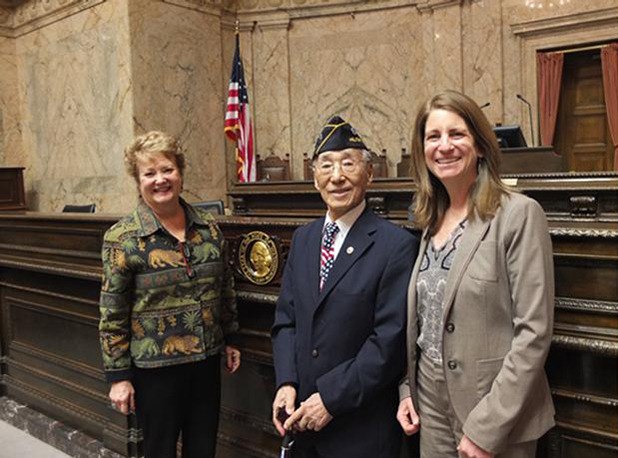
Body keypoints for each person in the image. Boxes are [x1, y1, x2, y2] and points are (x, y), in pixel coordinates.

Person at [397, 90, 555, 458]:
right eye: (433, 137)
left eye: (457, 134)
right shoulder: (428, 221)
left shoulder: (519, 215)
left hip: (495, 409)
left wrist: (487, 428)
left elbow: (534, 332)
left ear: (480, 146)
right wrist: (407, 388)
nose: (444, 146)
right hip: (431, 404)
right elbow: (423, 320)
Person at [271, 116, 419, 458]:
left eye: (348, 164)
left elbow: (389, 343)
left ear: (369, 174)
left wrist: (331, 399)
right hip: (302, 421)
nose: (337, 176)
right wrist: (286, 382)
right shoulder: (304, 239)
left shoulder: (395, 245)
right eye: (326, 165)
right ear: (314, 178)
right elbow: (286, 320)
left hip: (360, 427)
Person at [98, 131, 241, 458]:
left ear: (180, 172)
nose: (160, 180)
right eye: (149, 173)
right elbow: (112, 312)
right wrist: (118, 376)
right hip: (155, 370)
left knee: (203, 447)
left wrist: (231, 338)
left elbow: (225, 286)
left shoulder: (208, 226)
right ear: (138, 180)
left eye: (167, 170)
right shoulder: (123, 238)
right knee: (160, 450)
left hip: (205, 361)